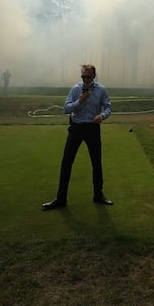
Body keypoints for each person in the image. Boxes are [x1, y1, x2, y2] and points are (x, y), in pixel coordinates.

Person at [42, 64, 113, 210]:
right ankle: (61, 198)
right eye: (83, 77)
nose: (86, 80)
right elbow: (65, 109)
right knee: (67, 162)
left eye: (89, 77)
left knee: (96, 163)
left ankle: (98, 195)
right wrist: (79, 101)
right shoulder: (75, 89)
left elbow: (108, 107)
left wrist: (102, 115)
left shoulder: (101, 90)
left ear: (94, 76)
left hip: (93, 128)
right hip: (76, 127)